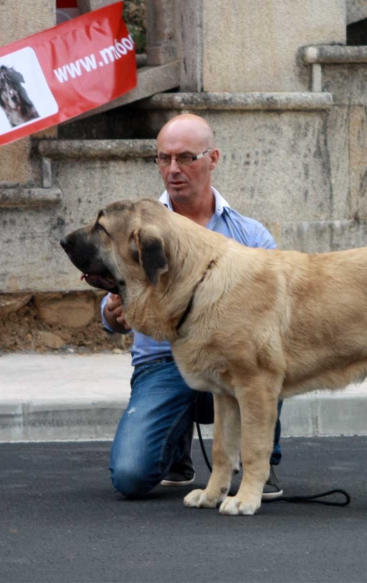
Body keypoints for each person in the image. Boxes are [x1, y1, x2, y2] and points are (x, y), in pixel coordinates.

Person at [101, 114, 284, 500]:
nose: (173, 170)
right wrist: (112, 314)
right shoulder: (135, 229)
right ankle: (175, 454)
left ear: (213, 158)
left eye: (185, 158)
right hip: (162, 365)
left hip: (233, 361)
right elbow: (116, 297)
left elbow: (276, 317)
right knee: (130, 478)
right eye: (163, 158)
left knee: (260, 365)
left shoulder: (250, 234)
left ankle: (260, 466)